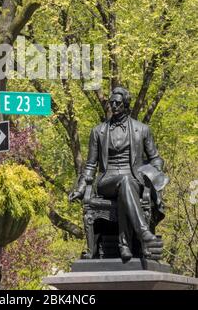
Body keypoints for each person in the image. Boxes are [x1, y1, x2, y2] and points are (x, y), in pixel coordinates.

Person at [69, 87, 167, 260]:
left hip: (133, 179)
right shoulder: (98, 131)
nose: (113, 106)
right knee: (125, 181)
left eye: (118, 103)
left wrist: (155, 173)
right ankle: (142, 232)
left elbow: (156, 158)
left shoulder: (142, 129)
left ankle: (124, 245)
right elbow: (91, 164)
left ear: (126, 104)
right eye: (111, 102)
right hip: (107, 181)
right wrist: (81, 187)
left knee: (126, 183)